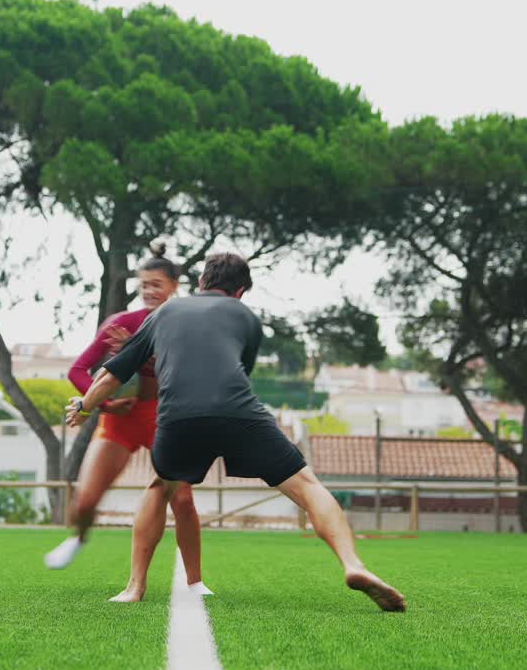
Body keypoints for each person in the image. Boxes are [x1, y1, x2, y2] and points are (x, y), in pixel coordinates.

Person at [65, 253, 406, 612]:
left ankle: (135, 587)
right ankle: (353, 565)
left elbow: (111, 375)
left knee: (161, 486)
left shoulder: (164, 313)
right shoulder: (247, 318)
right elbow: (238, 370)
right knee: (307, 485)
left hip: (178, 417)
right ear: (240, 291)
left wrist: (85, 407)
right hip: (239, 413)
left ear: (200, 283)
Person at [45, 245, 212, 601]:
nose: (149, 291)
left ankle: (195, 581)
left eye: (157, 284)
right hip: (120, 421)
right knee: (86, 500)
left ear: (175, 286)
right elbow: (77, 370)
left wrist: (146, 349)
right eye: (144, 285)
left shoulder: (185, 322)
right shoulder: (120, 323)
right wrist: (104, 403)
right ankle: (78, 536)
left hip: (164, 416)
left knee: (181, 499)